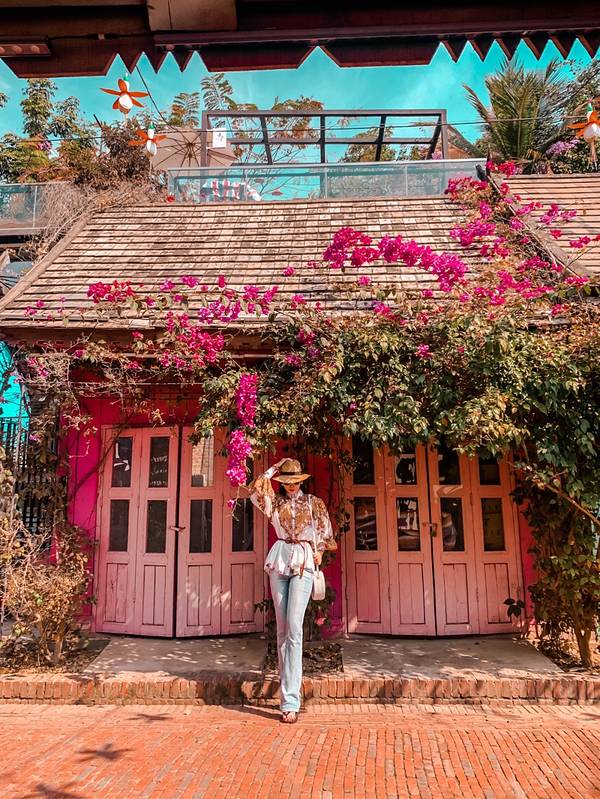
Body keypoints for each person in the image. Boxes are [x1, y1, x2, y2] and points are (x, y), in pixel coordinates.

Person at [249, 457, 335, 724]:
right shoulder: (274, 503)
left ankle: (291, 701)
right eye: (286, 481)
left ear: (301, 480)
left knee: (295, 627)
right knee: (283, 629)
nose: (290, 485)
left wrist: (320, 552)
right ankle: (287, 696)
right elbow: (255, 489)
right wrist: (275, 467)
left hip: (303, 562)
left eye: (294, 481)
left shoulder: (313, 503)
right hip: (280, 560)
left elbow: (325, 531)